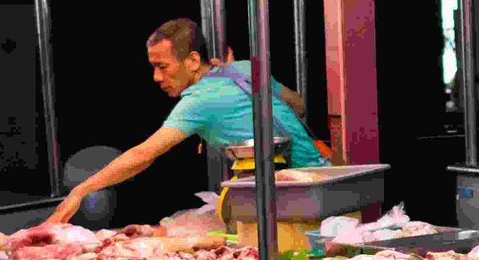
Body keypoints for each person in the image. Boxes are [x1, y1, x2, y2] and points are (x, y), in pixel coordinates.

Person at [47, 19, 325, 225]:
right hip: (326, 180)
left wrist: (81, 190)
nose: (156, 77)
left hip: (298, 200)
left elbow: (143, 155)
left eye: (162, 67)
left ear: (192, 60)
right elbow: (298, 105)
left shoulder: (199, 100)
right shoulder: (244, 69)